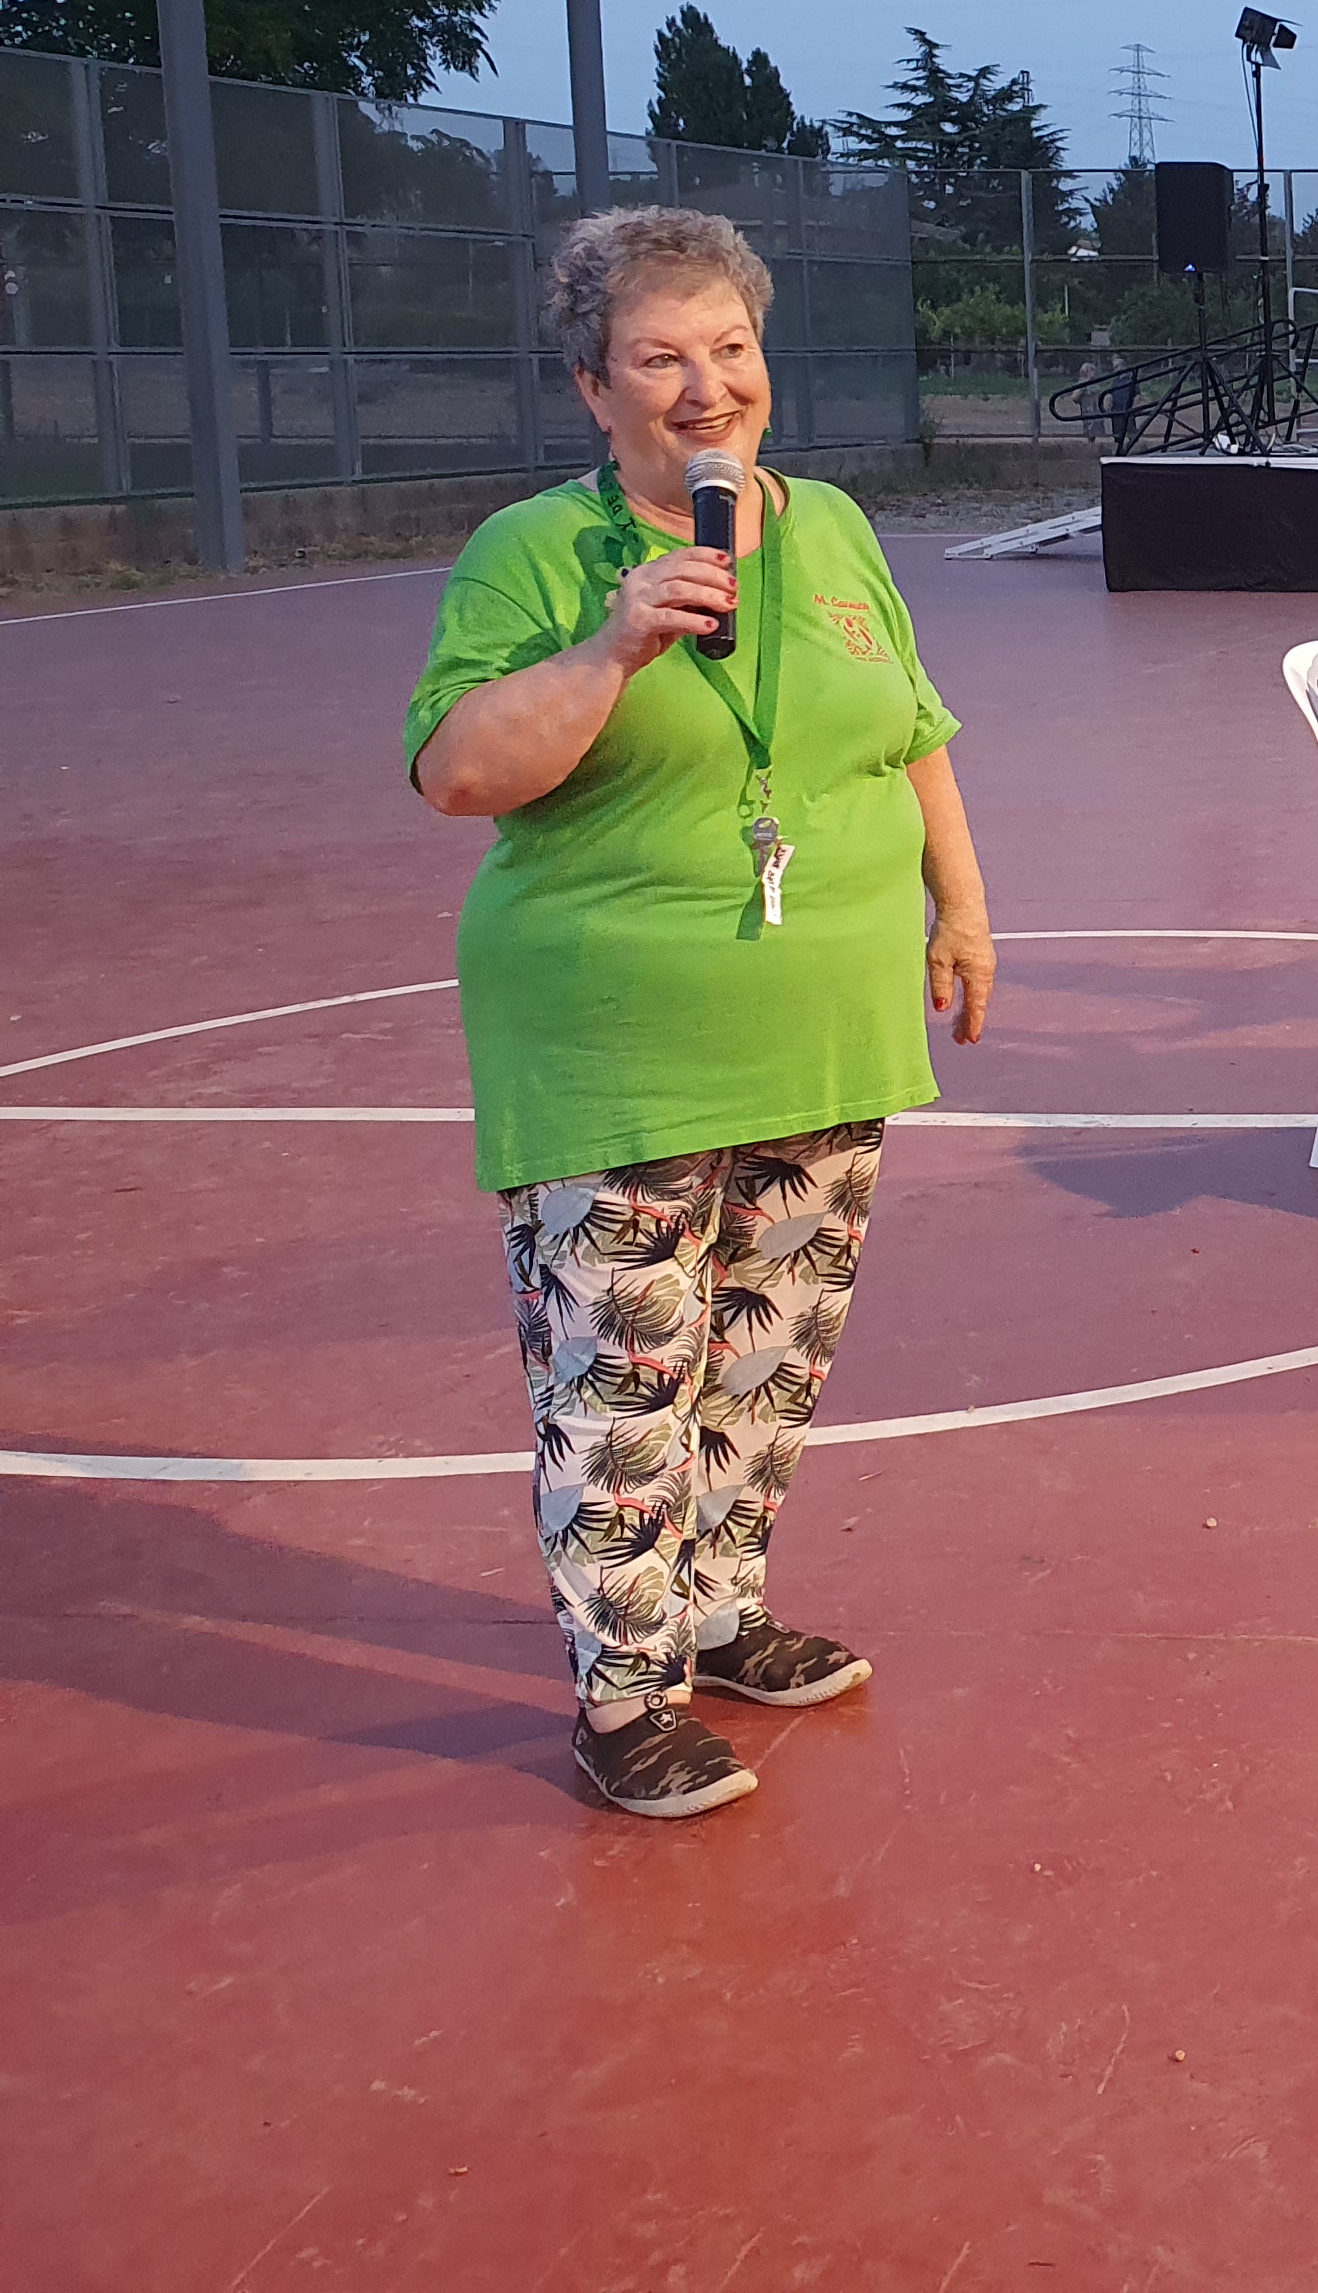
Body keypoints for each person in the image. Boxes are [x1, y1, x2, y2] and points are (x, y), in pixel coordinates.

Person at [406, 207, 997, 1823]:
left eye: (729, 348)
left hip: (821, 1020)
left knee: (768, 1356)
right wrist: (613, 640)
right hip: (619, 1039)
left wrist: (960, 899)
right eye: (661, 356)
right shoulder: (537, 550)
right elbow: (459, 770)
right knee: (626, 1377)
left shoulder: (837, 527)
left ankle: (721, 1613)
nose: (704, 385)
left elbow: (913, 725)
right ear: (594, 387)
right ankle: (624, 1694)